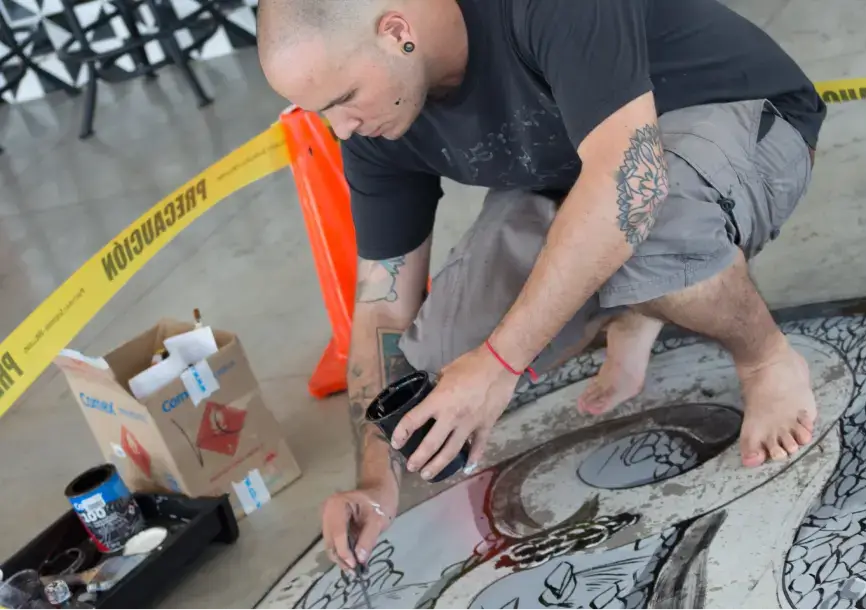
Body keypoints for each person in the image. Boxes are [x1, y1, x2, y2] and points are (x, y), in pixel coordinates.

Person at [257, 0, 826, 574]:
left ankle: (765, 360)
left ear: (396, 31)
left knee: (640, 225)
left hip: (736, 115)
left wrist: (500, 363)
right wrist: (376, 479)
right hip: (578, 168)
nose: (342, 129)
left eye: (344, 99)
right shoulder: (371, 126)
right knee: (437, 358)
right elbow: (383, 307)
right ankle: (639, 302)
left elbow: (632, 183)